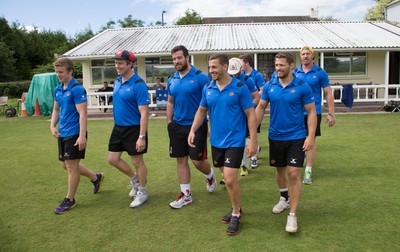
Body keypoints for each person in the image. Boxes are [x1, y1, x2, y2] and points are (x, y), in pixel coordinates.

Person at [189, 53, 257, 235]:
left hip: (235, 141)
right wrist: (193, 130)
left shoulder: (240, 87)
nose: (211, 70)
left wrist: (253, 140)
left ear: (225, 67)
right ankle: (238, 207)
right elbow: (201, 111)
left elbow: (251, 114)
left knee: (229, 179)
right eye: (209, 67)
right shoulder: (208, 88)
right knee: (227, 179)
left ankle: (235, 214)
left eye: (214, 67)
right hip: (216, 141)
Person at [255, 52, 317, 233]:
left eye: (282, 65)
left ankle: (292, 215)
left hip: (296, 137)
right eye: (276, 65)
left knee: (293, 174)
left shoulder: (301, 86)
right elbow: (260, 107)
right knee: (280, 171)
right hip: (275, 136)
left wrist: (310, 136)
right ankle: (284, 198)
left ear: (291, 66)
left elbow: (312, 112)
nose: (278, 68)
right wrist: (252, 132)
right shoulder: (270, 86)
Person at [50, 57, 104, 214]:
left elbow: (83, 113)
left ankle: (69, 199)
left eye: (61, 72)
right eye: (56, 72)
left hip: (75, 133)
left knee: (72, 167)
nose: (58, 75)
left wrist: (82, 136)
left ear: (70, 71)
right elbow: (56, 109)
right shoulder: (58, 89)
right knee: (65, 165)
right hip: (63, 133)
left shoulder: (77, 89)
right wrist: (52, 125)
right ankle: (96, 177)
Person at [166, 45, 216, 209]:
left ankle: (209, 175)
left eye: (179, 58)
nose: (176, 61)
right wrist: (169, 122)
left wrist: (209, 124)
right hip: (177, 126)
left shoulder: (201, 78)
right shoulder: (172, 79)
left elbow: (209, 102)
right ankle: (186, 195)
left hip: (197, 126)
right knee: (181, 160)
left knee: (197, 161)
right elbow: (170, 101)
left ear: (187, 58)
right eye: (174, 59)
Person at [107, 50, 150, 208]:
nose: (117, 66)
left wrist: (141, 137)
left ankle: (142, 192)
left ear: (130, 64)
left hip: (134, 129)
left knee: (137, 161)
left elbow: (144, 113)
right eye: (116, 62)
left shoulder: (138, 84)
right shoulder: (118, 81)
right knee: (112, 159)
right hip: (118, 128)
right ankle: (135, 180)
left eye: (120, 63)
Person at [294, 45, 336, 184]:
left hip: (314, 111)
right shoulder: (295, 72)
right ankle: (298, 165)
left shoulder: (320, 72)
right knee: (298, 140)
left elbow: (328, 93)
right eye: (303, 54)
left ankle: (308, 171)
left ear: (313, 56)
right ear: (300, 56)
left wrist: (331, 113)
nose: (305, 56)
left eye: (308, 54)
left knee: (311, 139)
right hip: (297, 112)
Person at [228, 57, 260, 176]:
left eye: (235, 72)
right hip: (232, 116)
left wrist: (247, 109)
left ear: (241, 68)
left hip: (246, 115)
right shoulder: (227, 79)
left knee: (246, 140)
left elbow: (256, 98)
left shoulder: (248, 80)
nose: (233, 75)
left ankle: (244, 165)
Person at [239, 53, 264, 168]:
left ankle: (254, 158)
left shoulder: (257, 75)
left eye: (241, 62)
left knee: (252, 133)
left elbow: (261, 91)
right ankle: (255, 149)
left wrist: (247, 100)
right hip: (241, 112)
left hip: (254, 110)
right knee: (244, 135)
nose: (239, 65)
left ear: (247, 63)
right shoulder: (240, 76)